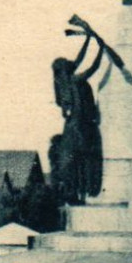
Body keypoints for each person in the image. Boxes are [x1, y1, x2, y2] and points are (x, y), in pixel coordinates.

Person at [50, 32, 105, 202]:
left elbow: (79, 59)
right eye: (68, 64)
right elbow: (93, 68)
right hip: (82, 126)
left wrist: (89, 39)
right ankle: (87, 189)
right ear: (65, 70)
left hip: (72, 125)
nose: (72, 64)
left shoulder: (61, 81)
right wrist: (101, 49)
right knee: (90, 156)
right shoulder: (74, 80)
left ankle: (82, 191)